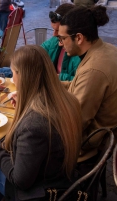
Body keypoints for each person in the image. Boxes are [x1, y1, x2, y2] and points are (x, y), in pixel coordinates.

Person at [0, 45, 82, 200]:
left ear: (23, 76)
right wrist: (25, 105)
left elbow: (20, 181)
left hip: (40, 192)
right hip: (60, 175)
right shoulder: (68, 100)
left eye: (13, 74)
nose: (13, 79)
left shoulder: (33, 124)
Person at [58, 5, 117, 163]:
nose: (60, 44)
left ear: (79, 38)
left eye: (63, 38)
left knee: (26, 141)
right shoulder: (107, 49)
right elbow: (77, 85)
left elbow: (74, 122)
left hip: (86, 150)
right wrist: (49, 83)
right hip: (101, 138)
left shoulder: (94, 70)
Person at [41, 3, 81, 81]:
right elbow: (36, 53)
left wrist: (56, 77)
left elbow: (81, 82)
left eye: (58, 31)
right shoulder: (54, 41)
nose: (54, 34)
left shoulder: (81, 54)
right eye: (53, 29)